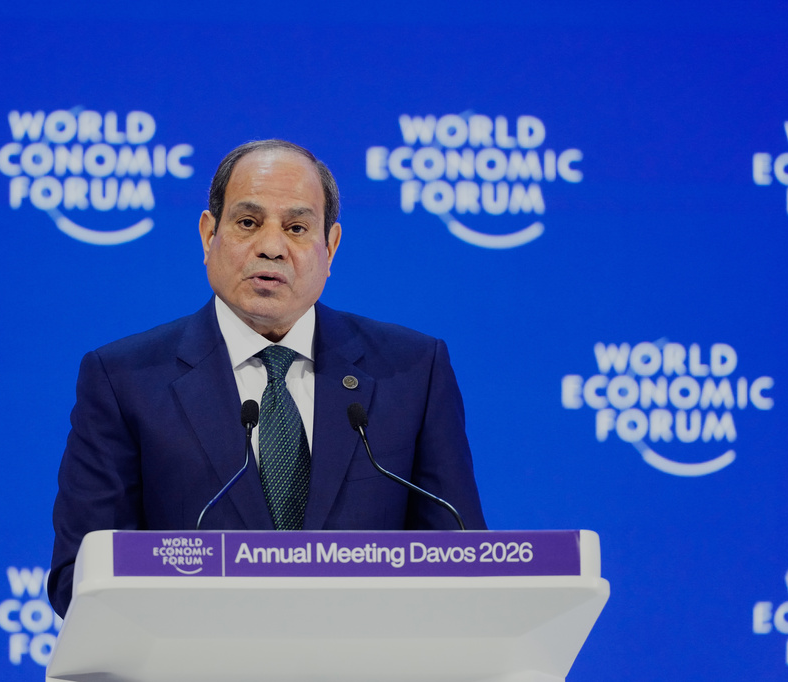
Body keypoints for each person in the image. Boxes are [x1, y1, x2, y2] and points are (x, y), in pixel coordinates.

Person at [47, 140, 486, 617]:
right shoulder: (123, 380)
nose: (271, 247)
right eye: (248, 223)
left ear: (330, 246)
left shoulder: (413, 371)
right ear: (208, 234)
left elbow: (462, 561)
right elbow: (80, 577)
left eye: (297, 228)